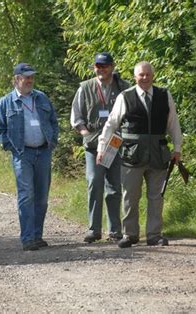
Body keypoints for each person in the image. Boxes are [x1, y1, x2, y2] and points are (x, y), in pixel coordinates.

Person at [97, 61, 182, 248]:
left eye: (147, 74)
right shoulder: (124, 97)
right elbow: (111, 124)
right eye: (141, 75)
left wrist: (177, 148)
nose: (144, 78)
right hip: (131, 155)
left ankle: (154, 235)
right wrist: (101, 148)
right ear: (135, 77)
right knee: (130, 196)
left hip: (158, 154)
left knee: (156, 197)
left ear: (153, 76)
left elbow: (173, 124)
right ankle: (130, 234)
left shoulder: (164, 95)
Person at [0, 63, 59, 251]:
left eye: (31, 77)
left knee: (42, 197)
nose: (29, 80)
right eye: (25, 77)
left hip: (44, 152)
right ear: (16, 79)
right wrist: (12, 147)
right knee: (26, 195)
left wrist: (52, 141)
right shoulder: (6, 102)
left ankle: (37, 236)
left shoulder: (42, 98)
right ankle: (27, 238)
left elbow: (53, 122)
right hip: (23, 154)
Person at [70, 52, 131, 243]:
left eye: (104, 65)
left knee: (114, 187)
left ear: (112, 67)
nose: (101, 69)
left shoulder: (124, 87)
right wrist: (85, 133)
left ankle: (114, 231)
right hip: (94, 144)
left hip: (115, 143)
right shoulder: (85, 87)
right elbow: (76, 115)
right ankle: (93, 229)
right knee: (94, 183)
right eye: (98, 65)